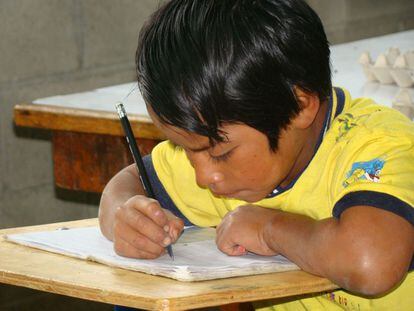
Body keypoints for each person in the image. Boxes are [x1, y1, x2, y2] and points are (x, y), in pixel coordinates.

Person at [99, 0, 414, 309]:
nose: (202, 176)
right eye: (186, 149)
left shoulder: (377, 146)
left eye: (222, 154)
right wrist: (126, 218)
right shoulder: (225, 157)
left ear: (300, 105)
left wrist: (269, 229)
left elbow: (370, 263)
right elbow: (128, 183)